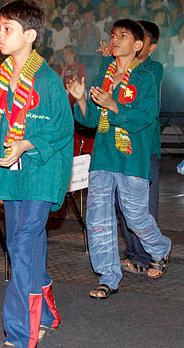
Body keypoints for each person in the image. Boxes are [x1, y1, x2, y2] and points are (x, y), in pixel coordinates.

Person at [0, 0, 73, 348]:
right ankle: (45, 314)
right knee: (22, 245)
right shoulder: (0, 79)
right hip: (14, 175)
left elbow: (60, 129)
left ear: (29, 35)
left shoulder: (46, 80)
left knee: (23, 242)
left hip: (43, 172)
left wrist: (26, 143)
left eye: (7, 29)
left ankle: (18, 335)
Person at [68, 19, 172, 299]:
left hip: (132, 157)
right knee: (98, 218)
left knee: (135, 216)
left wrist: (112, 105)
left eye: (122, 36)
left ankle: (160, 248)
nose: (114, 40)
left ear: (138, 45)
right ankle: (108, 276)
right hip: (103, 156)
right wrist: (80, 100)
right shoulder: (106, 75)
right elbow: (92, 119)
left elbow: (143, 118)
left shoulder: (145, 78)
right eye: (113, 35)